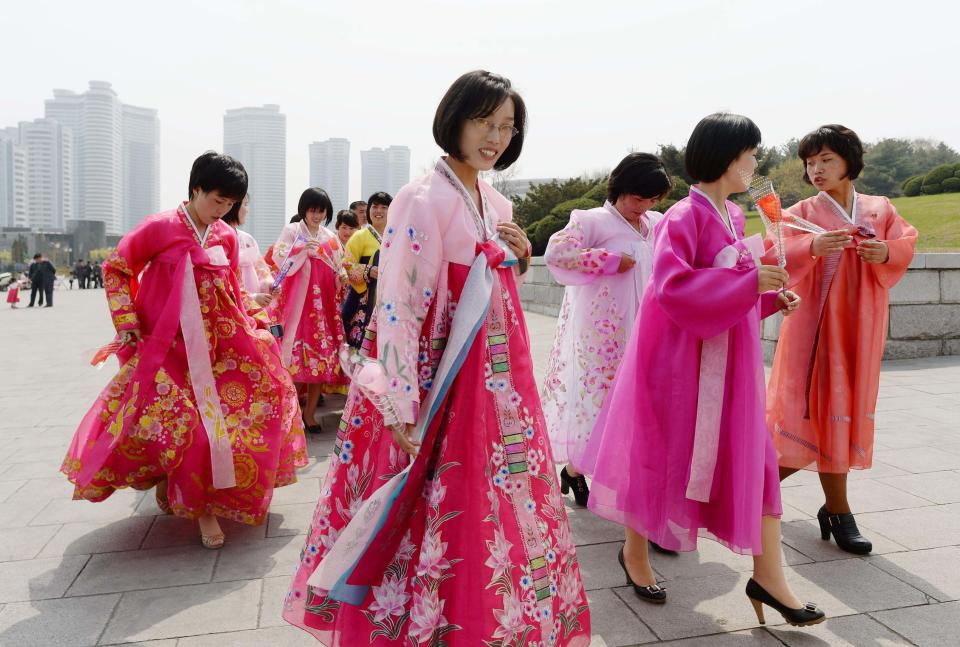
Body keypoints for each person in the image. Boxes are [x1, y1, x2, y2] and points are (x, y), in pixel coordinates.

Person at [284, 70, 591, 646]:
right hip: (442, 380)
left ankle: (479, 619)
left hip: (496, 383)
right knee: (433, 502)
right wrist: (402, 402)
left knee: (485, 501)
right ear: (455, 118)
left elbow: (494, 284)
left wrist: (519, 256)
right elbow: (398, 304)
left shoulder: (491, 199)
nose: (495, 137)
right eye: (484, 121)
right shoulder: (422, 198)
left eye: (507, 126)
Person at [580, 113, 825, 627]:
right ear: (726, 156)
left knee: (756, 460)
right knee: (656, 454)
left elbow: (728, 291)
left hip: (728, 364)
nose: (756, 163)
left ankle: (769, 577)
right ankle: (636, 555)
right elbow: (672, 290)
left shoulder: (733, 218)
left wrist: (764, 297)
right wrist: (749, 282)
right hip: (677, 363)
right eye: (751, 154)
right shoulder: (682, 218)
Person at [61, 151, 308, 549]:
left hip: (220, 345)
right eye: (217, 201)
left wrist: (253, 309)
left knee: (262, 398)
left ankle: (189, 490)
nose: (222, 211)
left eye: (230, 204)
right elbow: (116, 268)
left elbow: (230, 288)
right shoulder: (158, 228)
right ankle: (200, 507)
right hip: (167, 349)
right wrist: (126, 322)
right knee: (190, 430)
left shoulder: (225, 236)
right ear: (196, 189)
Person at [766, 125, 918, 554]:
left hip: (860, 327)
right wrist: (811, 247)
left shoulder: (878, 207)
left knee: (840, 411)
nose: (816, 170)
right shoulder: (799, 212)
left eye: (826, 160)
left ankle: (765, 493)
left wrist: (885, 252)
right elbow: (771, 254)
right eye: (810, 162)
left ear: (850, 161)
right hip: (812, 329)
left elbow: (904, 241)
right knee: (809, 412)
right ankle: (835, 510)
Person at [541, 152, 671, 507]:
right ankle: (578, 469)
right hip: (603, 338)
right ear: (620, 188)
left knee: (642, 407)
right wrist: (609, 261)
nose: (644, 206)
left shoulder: (657, 223)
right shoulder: (591, 220)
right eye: (638, 197)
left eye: (653, 199)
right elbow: (557, 255)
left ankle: (624, 483)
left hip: (647, 330)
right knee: (601, 406)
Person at [269, 188, 348, 433]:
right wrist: (302, 250)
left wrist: (342, 276)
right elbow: (279, 258)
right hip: (297, 306)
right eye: (313, 209)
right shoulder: (293, 231)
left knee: (320, 362)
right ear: (304, 209)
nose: (317, 215)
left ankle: (310, 414)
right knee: (291, 359)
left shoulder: (330, 237)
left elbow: (339, 266)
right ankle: (289, 413)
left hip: (323, 306)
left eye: (321, 210)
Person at [340, 191, 391, 349]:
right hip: (363, 299)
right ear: (369, 210)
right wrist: (367, 271)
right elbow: (347, 263)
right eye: (375, 206)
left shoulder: (396, 236)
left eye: (384, 207)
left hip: (389, 299)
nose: (378, 211)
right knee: (360, 346)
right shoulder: (360, 236)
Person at [223, 193, 274, 307]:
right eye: (245, 205)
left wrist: (270, 285)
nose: (247, 210)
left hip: (255, 305)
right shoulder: (218, 239)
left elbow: (261, 270)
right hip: (234, 307)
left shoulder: (248, 239)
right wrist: (252, 298)